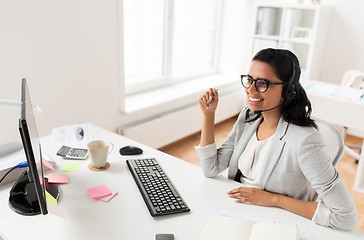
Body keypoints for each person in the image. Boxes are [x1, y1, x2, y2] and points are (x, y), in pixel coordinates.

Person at [195, 48, 358, 230]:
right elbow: (211, 168)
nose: (250, 90)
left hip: (276, 225)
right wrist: (208, 116)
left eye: (262, 83)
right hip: (235, 214)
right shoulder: (248, 118)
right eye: (249, 80)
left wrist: (273, 199)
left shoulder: (305, 140)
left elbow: (346, 217)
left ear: (288, 90)